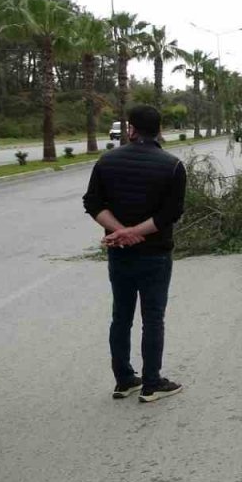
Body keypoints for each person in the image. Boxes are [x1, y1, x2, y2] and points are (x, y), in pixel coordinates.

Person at [83, 105, 188, 403]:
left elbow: (92, 203)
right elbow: (170, 214)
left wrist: (120, 233)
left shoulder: (106, 161)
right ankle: (152, 383)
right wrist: (135, 233)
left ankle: (124, 379)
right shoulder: (172, 166)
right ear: (159, 129)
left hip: (120, 254)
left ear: (131, 129)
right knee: (153, 318)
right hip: (155, 255)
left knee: (121, 317)